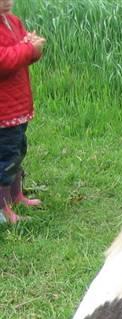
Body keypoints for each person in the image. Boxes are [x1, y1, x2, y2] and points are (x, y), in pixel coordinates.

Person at [0, 0, 44, 224]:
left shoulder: (12, 21)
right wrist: (28, 49)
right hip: (3, 112)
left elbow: (23, 56)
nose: (8, 1)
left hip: (17, 107)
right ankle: (2, 209)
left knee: (17, 151)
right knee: (4, 158)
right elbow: (4, 60)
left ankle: (16, 196)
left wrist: (34, 49)